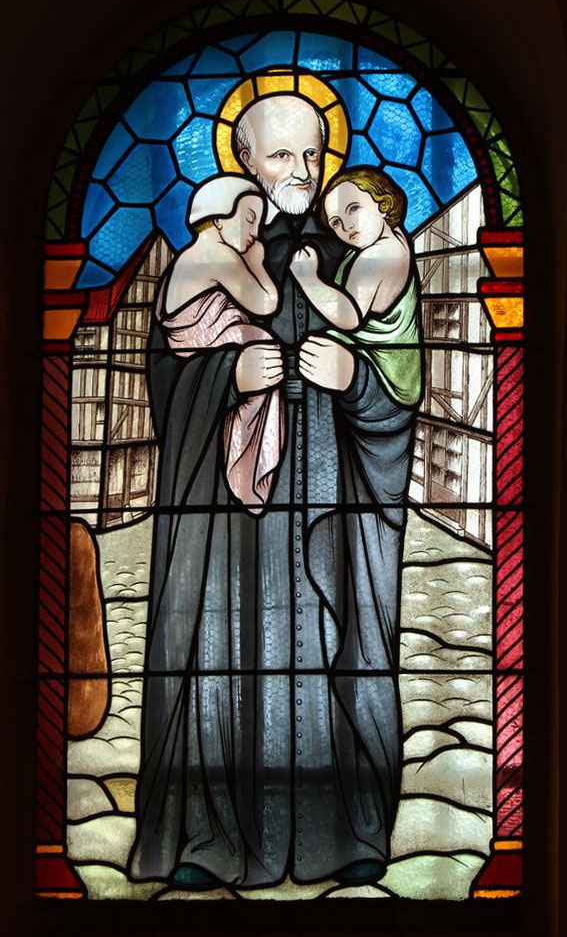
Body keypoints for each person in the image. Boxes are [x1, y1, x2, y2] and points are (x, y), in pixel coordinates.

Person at [129, 92, 423, 891]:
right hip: (228, 512)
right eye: (283, 154)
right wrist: (227, 376)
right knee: (220, 649)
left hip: (331, 487)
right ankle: (211, 838)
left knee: (333, 643)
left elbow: (401, 383)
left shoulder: (353, 255)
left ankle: (343, 831)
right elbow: (165, 380)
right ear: (245, 161)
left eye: (313, 154)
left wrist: (355, 379)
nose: (302, 170)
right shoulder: (213, 254)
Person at [155, 175, 285, 512]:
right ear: (218, 217)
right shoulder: (217, 256)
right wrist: (257, 263)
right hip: (213, 358)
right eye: (250, 218)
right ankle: (248, 475)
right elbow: (266, 302)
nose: (255, 231)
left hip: (205, 362)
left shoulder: (184, 260)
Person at [289, 166, 422, 408]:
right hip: (400, 369)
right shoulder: (395, 238)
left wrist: (308, 279)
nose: (347, 226)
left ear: (383, 204)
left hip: (383, 375)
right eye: (336, 222)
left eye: (354, 209)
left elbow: (349, 317)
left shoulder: (375, 258)